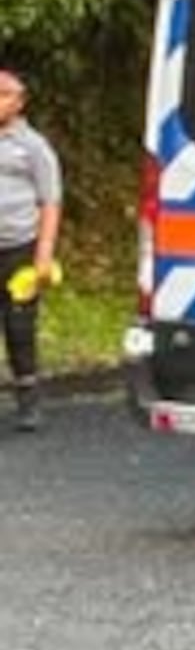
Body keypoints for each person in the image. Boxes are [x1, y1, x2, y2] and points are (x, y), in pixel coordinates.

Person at [0, 69, 63, 432]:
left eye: (5, 94)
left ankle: (29, 401)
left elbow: (50, 201)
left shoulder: (34, 147)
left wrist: (44, 253)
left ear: (20, 101)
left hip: (20, 248)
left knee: (19, 325)